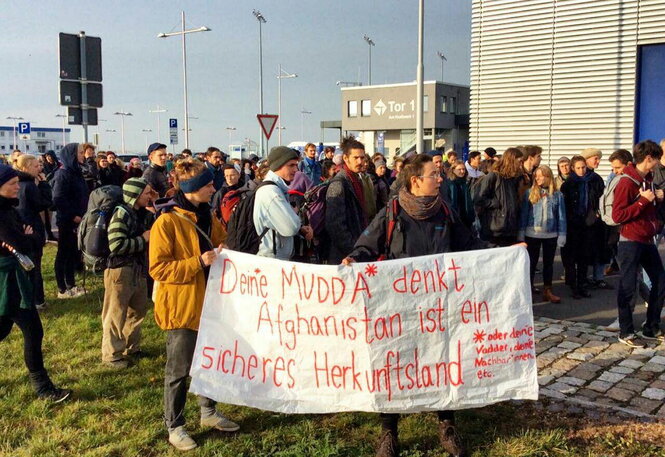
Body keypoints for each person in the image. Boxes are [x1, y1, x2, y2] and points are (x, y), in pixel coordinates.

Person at [342, 153, 484, 457]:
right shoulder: (392, 212)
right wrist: (354, 259)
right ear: (415, 180)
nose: (440, 178)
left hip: (440, 306)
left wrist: (507, 253)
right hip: (399, 308)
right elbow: (367, 245)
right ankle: (389, 431)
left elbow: (471, 246)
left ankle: (446, 425)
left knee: (443, 362)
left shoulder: (445, 211)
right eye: (434, 174)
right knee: (393, 363)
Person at [149, 158, 239, 451]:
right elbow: (158, 269)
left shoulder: (206, 215)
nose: (214, 187)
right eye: (209, 184)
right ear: (193, 188)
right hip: (182, 308)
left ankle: (208, 412)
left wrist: (225, 248)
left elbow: (221, 240)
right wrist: (197, 262)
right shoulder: (167, 222)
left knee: (208, 362)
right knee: (178, 370)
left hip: (209, 305)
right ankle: (174, 426)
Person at [0, 164, 71, 402]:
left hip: (14, 278)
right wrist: (27, 237)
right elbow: (22, 242)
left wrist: (29, 237)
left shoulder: (10, 208)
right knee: (32, 330)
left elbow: (34, 238)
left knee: (8, 328)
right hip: (6, 281)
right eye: (12, 184)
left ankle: (42, 386)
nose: (17, 187)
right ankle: (43, 388)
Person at [611, 140, 665, 348]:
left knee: (660, 280)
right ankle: (626, 330)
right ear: (648, 158)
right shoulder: (626, 182)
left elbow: (647, 209)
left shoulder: (649, 179)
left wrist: (656, 199)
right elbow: (618, 215)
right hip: (630, 241)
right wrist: (642, 201)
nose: (658, 164)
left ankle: (651, 326)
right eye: (656, 160)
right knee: (627, 286)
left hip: (646, 239)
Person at [101, 178, 154, 369]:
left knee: (137, 311)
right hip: (120, 271)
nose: (150, 196)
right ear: (135, 195)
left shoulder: (140, 213)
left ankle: (132, 348)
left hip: (137, 269)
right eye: (147, 193)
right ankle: (111, 355)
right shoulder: (120, 215)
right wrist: (142, 239)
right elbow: (116, 245)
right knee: (115, 313)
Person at [253, 146, 313, 260]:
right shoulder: (271, 192)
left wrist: (299, 227)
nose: (296, 170)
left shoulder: (279, 188)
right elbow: (290, 227)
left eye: (296, 165)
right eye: (291, 165)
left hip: (277, 258)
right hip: (272, 260)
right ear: (277, 166)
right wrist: (296, 220)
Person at [518, 165, 566, 303]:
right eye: (536, 175)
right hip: (532, 233)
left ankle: (547, 290)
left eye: (541, 175)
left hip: (550, 234)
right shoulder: (529, 193)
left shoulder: (557, 195)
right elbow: (524, 214)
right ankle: (528, 291)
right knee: (531, 263)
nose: (538, 178)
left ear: (548, 177)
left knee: (548, 264)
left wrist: (562, 234)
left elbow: (561, 216)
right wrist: (521, 233)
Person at [560, 155, 604, 299]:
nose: (581, 170)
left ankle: (582, 285)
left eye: (583, 167)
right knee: (571, 257)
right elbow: (564, 206)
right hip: (572, 224)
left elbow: (599, 198)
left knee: (584, 257)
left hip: (588, 223)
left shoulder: (594, 180)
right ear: (573, 168)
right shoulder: (568, 183)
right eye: (578, 168)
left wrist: (596, 213)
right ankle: (573, 287)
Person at [325, 137, 371, 264]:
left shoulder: (357, 179)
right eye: (355, 158)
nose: (360, 161)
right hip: (344, 256)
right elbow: (335, 224)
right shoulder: (339, 184)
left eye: (362, 158)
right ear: (345, 158)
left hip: (357, 248)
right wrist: (353, 250)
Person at [15, 155, 52, 310]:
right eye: (36, 166)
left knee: (24, 266)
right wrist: (44, 184)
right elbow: (43, 203)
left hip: (20, 227)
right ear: (26, 167)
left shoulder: (17, 183)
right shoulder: (28, 185)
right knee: (34, 266)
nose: (40, 169)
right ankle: (38, 300)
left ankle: (26, 299)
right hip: (31, 228)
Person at [51, 143, 88, 298]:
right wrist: (73, 216)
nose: (83, 155)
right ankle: (62, 289)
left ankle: (71, 285)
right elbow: (58, 199)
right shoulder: (63, 174)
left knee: (73, 253)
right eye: (80, 152)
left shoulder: (75, 172)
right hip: (67, 220)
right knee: (64, 253)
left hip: (77, 219)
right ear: (71, 155)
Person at [473, 147, 524, 246]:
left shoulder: (513, 179)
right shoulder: (494, 176)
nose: (520, 164)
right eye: (519, 161)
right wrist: (495, 203)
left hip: (510, 228)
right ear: (512, 160)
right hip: (495, 228)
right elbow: (478, 198)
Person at [446, 160, 475, 229]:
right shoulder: (452, 184)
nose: (462, 171)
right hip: (458, 218)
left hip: (466, 217)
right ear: (453, 170)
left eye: (463, 169)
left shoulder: (464, 183)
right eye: (459, 169)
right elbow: (453, 202)